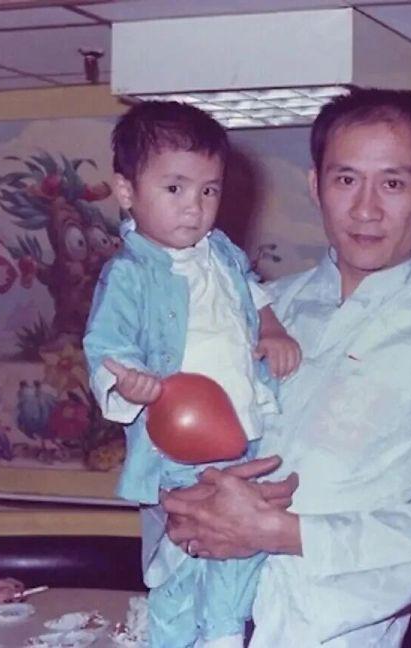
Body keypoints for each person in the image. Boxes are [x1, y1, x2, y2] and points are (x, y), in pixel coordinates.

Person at [160, 87, 411, 647]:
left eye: (393, 183)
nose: (366, 209)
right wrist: (184, 507)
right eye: (346, 180)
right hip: (193, 614)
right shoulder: (258, 309)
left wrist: (279, 532)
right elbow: (173, 443)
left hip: (323, 631)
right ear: (315, 185)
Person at [83, 101, 301, 648]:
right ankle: (176, 631)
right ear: (127, 191)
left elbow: (254, 296)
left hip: (246, 434)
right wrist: (127, 381)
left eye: (209, 190)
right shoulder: (130, 275)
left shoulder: (222, 251)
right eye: (175, 188)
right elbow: (105, 346)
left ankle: (223, 632)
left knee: (242, 547)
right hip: (179, 451)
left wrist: (273, 330)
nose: (194, 207)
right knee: (188, 551)